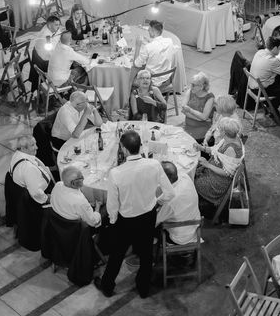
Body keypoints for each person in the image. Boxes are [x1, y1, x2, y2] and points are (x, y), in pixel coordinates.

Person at [94, 131, 175, 298]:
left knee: (117, 255)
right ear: (141, 146)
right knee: (146, 254)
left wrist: (114, 220)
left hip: (126, 221)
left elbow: (112, 204)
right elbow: (170, 193)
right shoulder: (154, 165)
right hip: (148, 216)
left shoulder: (116, 173)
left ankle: (107, 286)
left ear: (123, 149)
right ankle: (143, 288)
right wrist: (157, 202)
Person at [194, 117, 244, 205]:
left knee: (192, 182)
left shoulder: (231, 149)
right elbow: (216, 150)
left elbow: (227, 173)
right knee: (194, 171)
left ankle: (198, 205)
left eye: (219, 129)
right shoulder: (229, 138)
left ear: (224, 132)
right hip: (213, 171)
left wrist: (207, 165)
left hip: (218, 183)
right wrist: (201, 148)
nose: (217, 130)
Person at [156, 161, 201, 245]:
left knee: (147, 227)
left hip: (180, 237)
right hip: (195, 227)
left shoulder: (170, 201)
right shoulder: (185, 177)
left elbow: (156, 221)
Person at [249, 36, 280, 112]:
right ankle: (277, 109)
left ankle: (274, 107)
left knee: (277, 80)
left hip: (252, 86)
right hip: (262, 91)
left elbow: (269, 61)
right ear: (274, 48)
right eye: (279, 48)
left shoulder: (259, 52)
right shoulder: (272, 61)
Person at [133, 20, 174, 87]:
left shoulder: (148, 47)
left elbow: (136, 64)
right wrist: (151, 42)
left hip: (152, 80)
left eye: (149, 30)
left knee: (131, 80)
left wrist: (138, 45)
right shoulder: (170, 41)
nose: (148, 31)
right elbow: (159, 49)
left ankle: (134, 95)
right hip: (166, 77)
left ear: (153, 31)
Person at [183, 72, 215, 143]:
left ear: (201, 87)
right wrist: (200, 119)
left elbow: (204, 117)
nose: (191, 87)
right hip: (187, 129)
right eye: (191, 84)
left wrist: (190, 110)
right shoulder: (190, 91)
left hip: (203, 133)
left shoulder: (210, 98)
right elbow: (184, 110)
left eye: (193, 85)